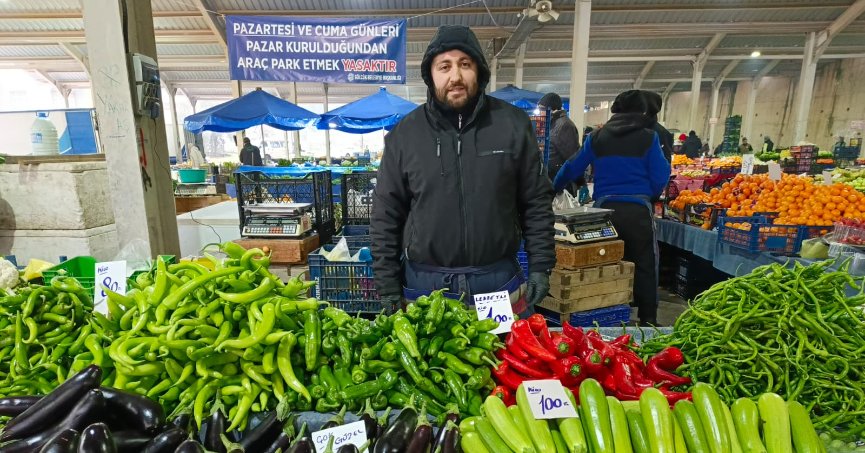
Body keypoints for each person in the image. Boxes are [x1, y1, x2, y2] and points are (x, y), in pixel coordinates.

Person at [371, 24, 555, 317]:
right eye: (444, 66)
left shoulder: (512, 125)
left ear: (479, 71)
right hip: (425, 286)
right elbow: (386, 213)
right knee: (430, 350)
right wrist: (387, 282)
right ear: (431, 75)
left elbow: (536, 201)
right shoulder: (404, 135)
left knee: (502, 348)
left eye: (465, 64)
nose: (455, 76)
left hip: (496, 281)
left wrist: (541, 266)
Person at [552, 89, 671, 325]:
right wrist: (651, 195)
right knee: (645, 264)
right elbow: (661, 175)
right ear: (642, 111)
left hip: (604, 212)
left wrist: (554, 187)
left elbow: (572, 166)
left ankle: (605, 315)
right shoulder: (649, 137)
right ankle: (647, 318)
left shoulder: (597, 137)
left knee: (603, 262)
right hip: (638, 210)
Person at [539, 92, 580, 182]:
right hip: (551, 176)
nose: (540, 112)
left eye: (542, 109)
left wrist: (577, 181)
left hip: (559, 178)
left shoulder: (565, 125)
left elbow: (572, 156)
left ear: (552, 109)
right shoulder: (551, 123)